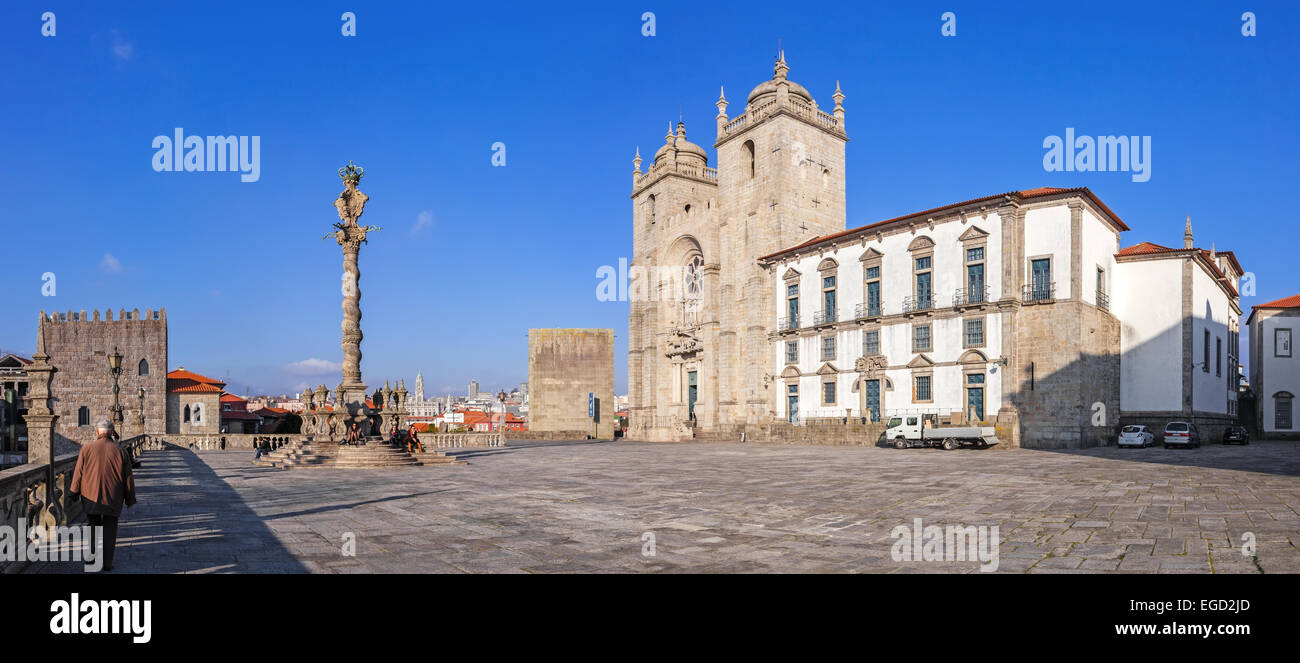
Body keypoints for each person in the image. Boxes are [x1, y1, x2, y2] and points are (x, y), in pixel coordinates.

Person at [69, 420, 136, 572]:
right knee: (110, 528)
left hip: (90, 496)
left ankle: (92, 559)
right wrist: (130, 498)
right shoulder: (120, 451)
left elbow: (78, 473)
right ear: (112, 432)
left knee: (93, 525)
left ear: (98, 432)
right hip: (113, 497)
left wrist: (73, 492)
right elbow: (128, 478)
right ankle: (107, 562)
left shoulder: (86, 449)